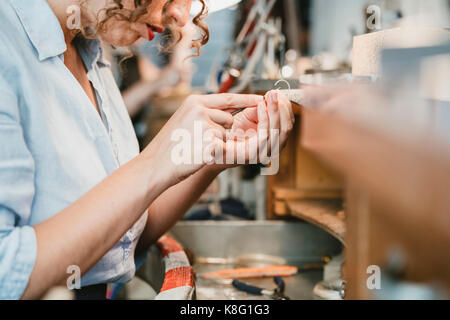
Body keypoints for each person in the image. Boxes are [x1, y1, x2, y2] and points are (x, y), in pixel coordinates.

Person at [0, 0, 294, 299]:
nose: (180, 17)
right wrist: (154, 162)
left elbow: (122, 236)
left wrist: (214, 154)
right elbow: (6, 275)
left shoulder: (89, 50)